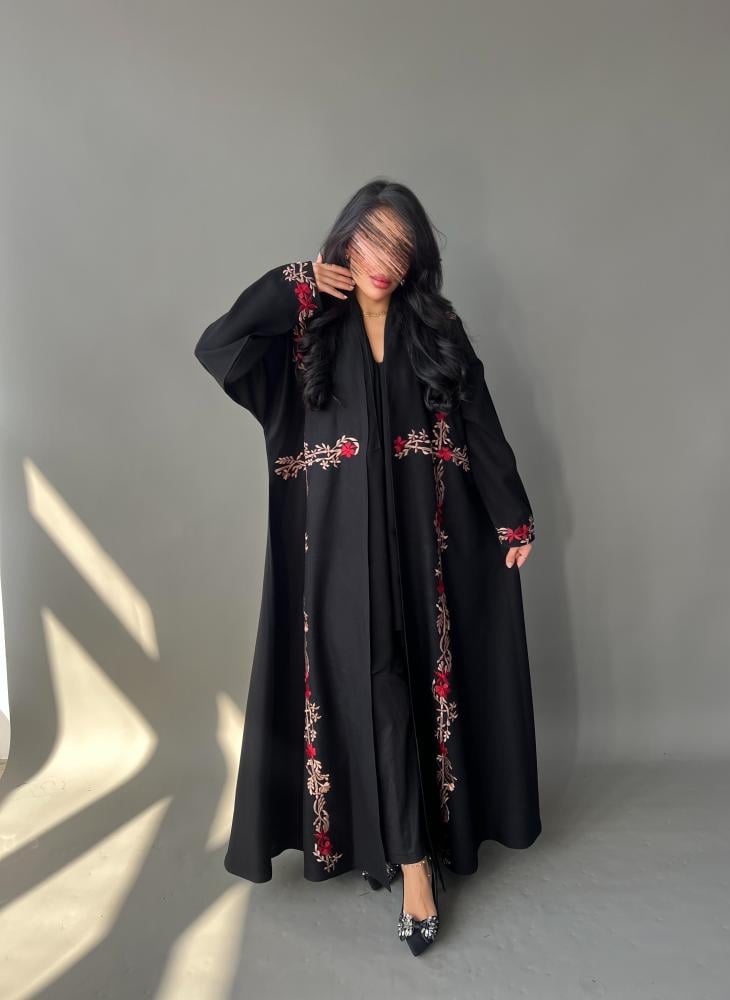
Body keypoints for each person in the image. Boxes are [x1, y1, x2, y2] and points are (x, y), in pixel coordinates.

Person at [194, 178, 540, 956]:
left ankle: (411, 849)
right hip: (338, 559)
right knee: (374, 687)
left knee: (415, 689)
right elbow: (217, 346)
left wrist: (510, 512)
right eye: (373, 238)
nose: (386, 258)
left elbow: (479, 420)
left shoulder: (434, 330)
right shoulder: (307, 332)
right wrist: (288, 286)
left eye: (402, 246)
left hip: (426, 549)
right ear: (345, 239)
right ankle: (413, 866)